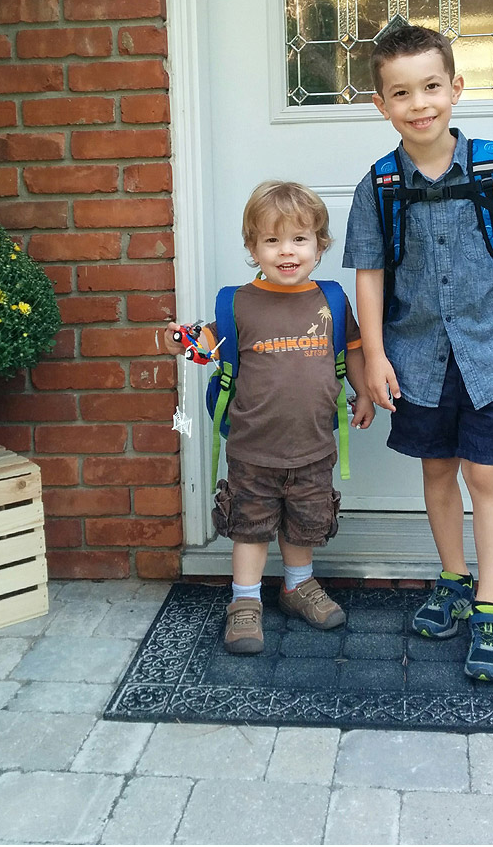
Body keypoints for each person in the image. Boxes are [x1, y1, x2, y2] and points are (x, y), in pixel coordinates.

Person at [343, 25, 493, 681]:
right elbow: (368, 275)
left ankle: (489, 609)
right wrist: (372, 355)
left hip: (489, 354)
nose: (419, 103)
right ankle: (452, 581)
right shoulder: (377, 187)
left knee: (484, 476)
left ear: (455, 88)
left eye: (431, 86)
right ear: (380, 104)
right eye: (400, 92)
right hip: (414, 355)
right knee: (435, 473)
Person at [165, 180, 374, 655]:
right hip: (252, 449)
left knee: (304, 524)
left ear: (320, 245)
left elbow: (353, 351)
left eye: (299, 239)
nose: (287, 251)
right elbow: (204, 348)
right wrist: (182, 340)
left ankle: (297, 587)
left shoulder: (333, 302)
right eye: (272, 240)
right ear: (252, 247)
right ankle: (244, 601)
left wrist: (363, 393)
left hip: (315, 446)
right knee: (250, 526)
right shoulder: (238, 303)